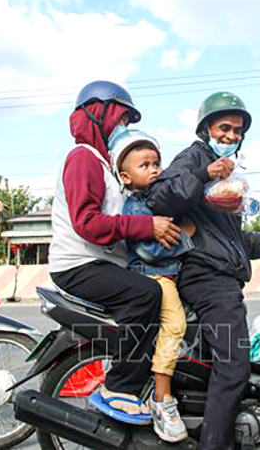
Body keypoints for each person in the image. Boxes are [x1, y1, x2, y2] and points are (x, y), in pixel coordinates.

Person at [145, 91, 260, 449]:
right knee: (235, 367)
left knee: (217, 368)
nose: (231, 136)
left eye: (237, 131)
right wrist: (204, 172)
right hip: (205, 277)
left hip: (222, 275)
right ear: (206, 128)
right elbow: (158, 196)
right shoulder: (195, 158)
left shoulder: (227, 174)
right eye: (224, 127)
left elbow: (232, 239)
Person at [48, 80, 181, 425]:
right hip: (78, 264)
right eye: (119, 119)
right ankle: (120, 387)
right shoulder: (83, 158)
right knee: (146, 295)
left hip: (101, 262)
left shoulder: (107, 166)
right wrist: (146, 227)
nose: (122, 128)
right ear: (97, 115)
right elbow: (87, 222)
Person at [109, 128, 191, 442]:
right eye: (145, 165)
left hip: (168, 275)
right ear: (126, 177)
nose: (154, 168)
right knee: (175, 326)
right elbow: (149, 250)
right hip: (154, 276)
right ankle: (162, 398)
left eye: (156, 162)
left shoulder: (153, 199)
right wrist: (186, 235)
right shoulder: (135, 206)